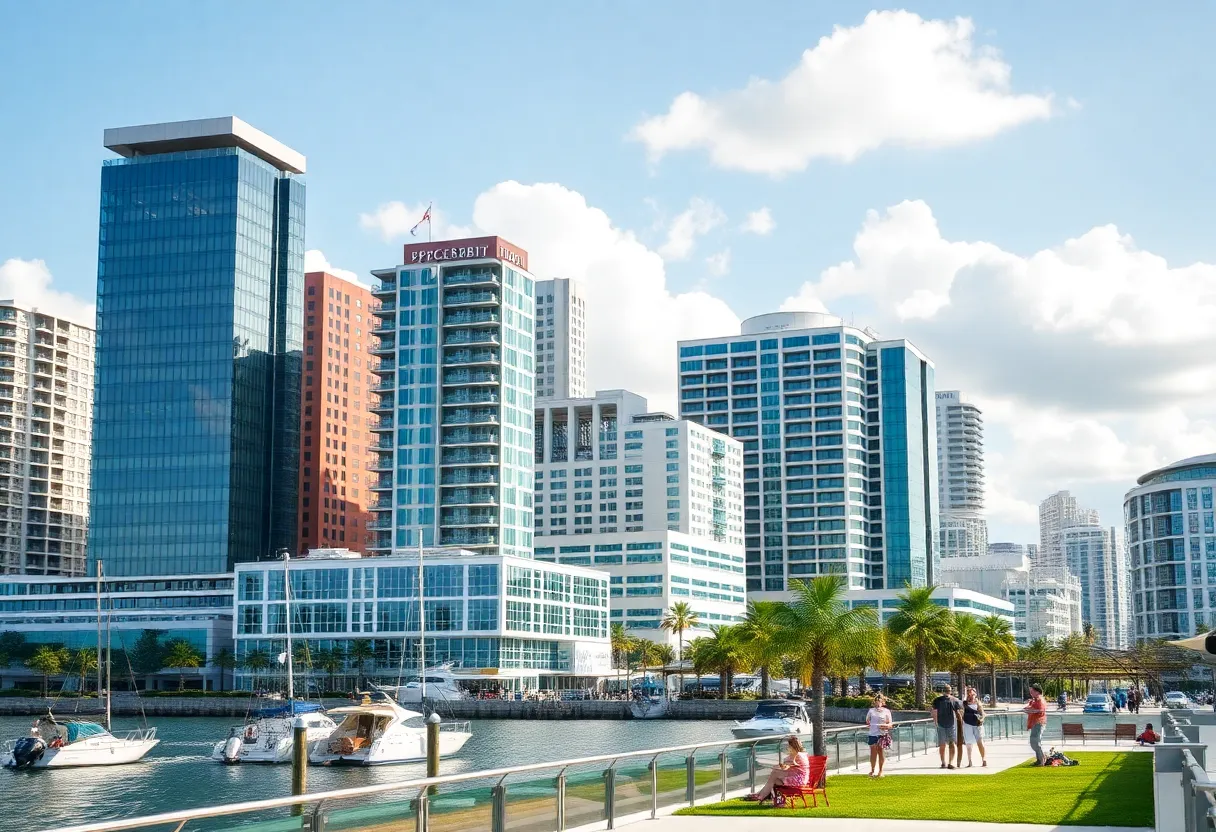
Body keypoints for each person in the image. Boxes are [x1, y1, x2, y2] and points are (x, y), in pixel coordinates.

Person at [744, 736, 810, 801]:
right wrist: (781, 767)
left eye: (788, 746)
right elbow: (788, 768)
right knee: (773, 779)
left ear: (792, 746)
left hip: (798, 780)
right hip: (793, 777)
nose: (787, 748)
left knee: (774, 774)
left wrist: (781, 767)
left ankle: (760, 796)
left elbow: (792, 767)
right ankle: (763, 795)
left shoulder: (799, 756)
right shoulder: (793, 755)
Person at [930, 684, 963, 769]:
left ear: (943, 691)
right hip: (950, 724)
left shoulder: (937, 700)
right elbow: (958, 713)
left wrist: (936, 722)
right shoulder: (954, 700)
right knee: (951, 744)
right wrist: (961, 723)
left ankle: (943, 762)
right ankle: (950, 762)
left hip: (941, 724)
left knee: (942, 744)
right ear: (950, 691)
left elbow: (934, 712)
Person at [866, 693, 894, 778]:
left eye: (879, 702)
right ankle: (872, 770)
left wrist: (885, 726)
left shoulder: (886, 711)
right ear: (874, 703)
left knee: (881, 752)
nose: (878, 704)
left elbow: (890, 724)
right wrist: (871, 724)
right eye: (876, 702)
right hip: (872, 734)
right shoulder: (871, 711)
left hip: (882, 734)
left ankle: (881, 771)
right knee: (873, 752)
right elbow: (867, 721)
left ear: (882, 703)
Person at [962, 687, 987, 768]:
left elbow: (983, 714)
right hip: (967, 724)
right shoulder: (964, 703)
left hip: (977, 724)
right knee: (968, 743)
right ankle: (970, 761)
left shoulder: (978, 703)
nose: (970, 695)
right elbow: (960, 712)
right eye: (969, 693)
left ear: (975, 694)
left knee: (980, 742)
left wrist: (981, 719)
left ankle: (984, 759)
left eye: (972, 694)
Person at [1024, 684, 1048, 766]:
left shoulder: (1040, 700)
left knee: (1035, 742)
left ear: (1037, 692)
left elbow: (1039, 710)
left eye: (1032, 691)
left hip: (1038, 723)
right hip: (1035, 723)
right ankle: (1039, 760)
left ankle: (1042, 760)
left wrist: (1029, 709)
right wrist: (1028, 709)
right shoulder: (1034, 700)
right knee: (1034, 742)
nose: (1031, 693)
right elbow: (1030, 708)